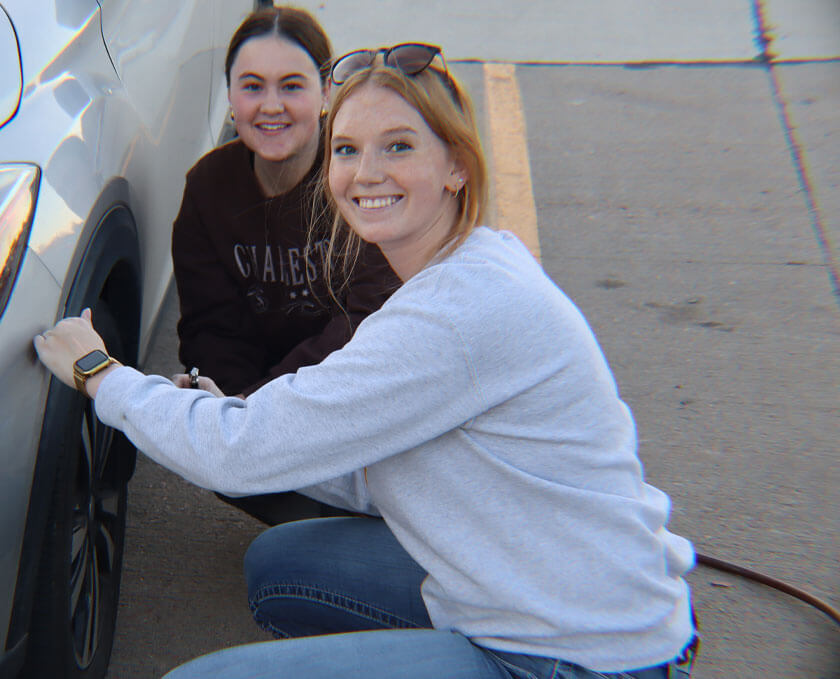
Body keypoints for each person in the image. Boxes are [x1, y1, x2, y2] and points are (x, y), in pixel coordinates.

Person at [35, 43, 697, 679]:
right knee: (280, 566)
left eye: (399, 146)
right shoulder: (469, 265)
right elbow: (370, 462)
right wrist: (222, 410)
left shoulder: (452, 316)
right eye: (347, 149)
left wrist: (103, 375)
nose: (366, 172)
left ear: (456, 166)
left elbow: (235, 453)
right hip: (547, 581)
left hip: (574, 654)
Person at [170, 5, 399, 525]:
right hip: (264, 407)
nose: (270, 106)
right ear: (229, 98)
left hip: (357, 400)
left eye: (291, 86)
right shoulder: (209, 188)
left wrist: (262, 410)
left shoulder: (360, 179)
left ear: (324, 94)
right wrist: (228, 409)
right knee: (203, 437)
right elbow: (209, 326)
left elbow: (367, 322)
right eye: (252, 87)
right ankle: (319, 532)